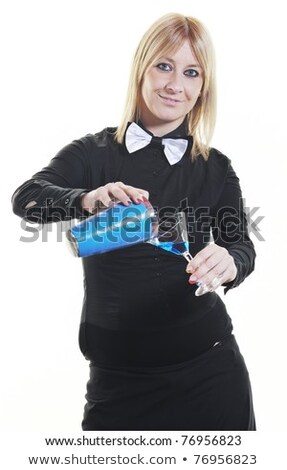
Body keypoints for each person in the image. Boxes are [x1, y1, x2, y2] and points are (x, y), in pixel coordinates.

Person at [12, 13, 256, 430]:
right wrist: (86, 198)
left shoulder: (215, 168)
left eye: (191, 72)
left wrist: (230, 262)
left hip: (212, 374)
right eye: (164, 65)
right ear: (141, 69)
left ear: (203, 88)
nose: (175, 84)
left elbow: (242, 246)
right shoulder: (91, 153)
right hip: (117, 382)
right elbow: (27, 200)